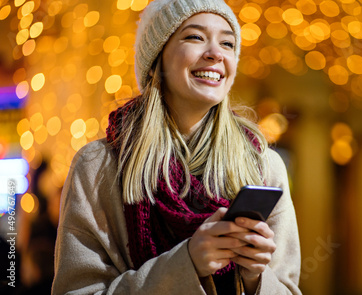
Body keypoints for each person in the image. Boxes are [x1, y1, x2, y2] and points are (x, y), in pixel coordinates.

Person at [51, 0, 301, 294]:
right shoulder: (97, 166)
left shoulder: (264, 166)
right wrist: (187, 264)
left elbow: (287, 287)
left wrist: (254, 279)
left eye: (228, 43)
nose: (215, 53)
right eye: (195, 37)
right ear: (158, 56)